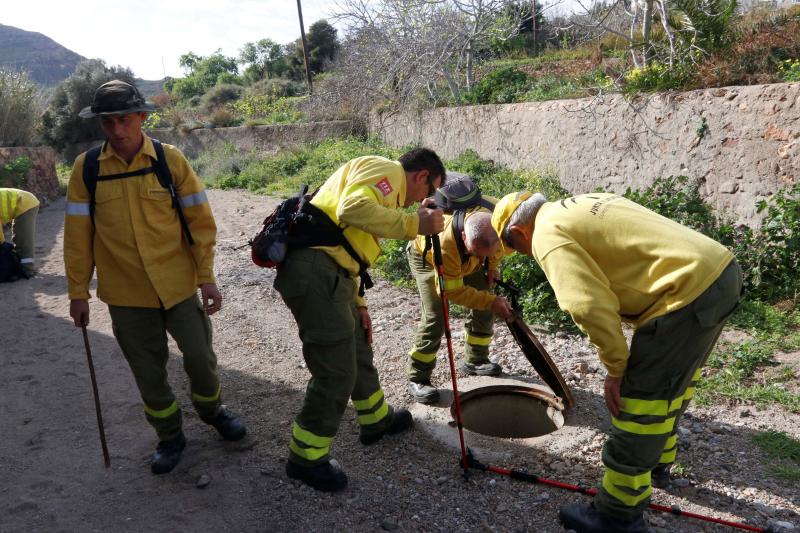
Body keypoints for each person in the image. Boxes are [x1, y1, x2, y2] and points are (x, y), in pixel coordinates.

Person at [491, 191, 742, 533]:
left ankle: (616, 515)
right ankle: (656, 464)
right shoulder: (580, 203)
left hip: (684, 293)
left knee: (639, 404)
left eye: (518, 248)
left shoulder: (547, 234)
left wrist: (617, 370)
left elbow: (587, 306)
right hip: (718, 273)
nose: (527, 254)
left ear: (520, 233)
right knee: (672, 383)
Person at [64, 80, 246, 476]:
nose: (116, 129)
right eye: (107, 122)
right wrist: (77, 292)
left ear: (142, 117)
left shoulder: (169, 160)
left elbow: (201, 223)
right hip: (126, 295)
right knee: (148, 373)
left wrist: (206, 277)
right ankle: (169, 435)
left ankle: (213, 412)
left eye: (124, 119)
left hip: (178, 286)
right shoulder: (88, 169)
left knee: (200, 359)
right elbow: (78, 236)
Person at [274, 149, 446, 492]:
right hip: (317, 276)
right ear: (420, 176)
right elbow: (351, 209)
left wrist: (359, 302)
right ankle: (305, 458)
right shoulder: (386, 173)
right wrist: (417, 224)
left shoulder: (383, 186)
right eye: (427, 193)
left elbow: (344, 242)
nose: (423, 201)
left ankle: (375, 420)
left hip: (334, 277)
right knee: (336, 370)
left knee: (357, 349)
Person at [406, 206, 514, 404]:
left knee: (484, 296)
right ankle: (418, 377)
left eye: (484, 256)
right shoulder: (445, 243)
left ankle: (476, 359)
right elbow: (453, 292)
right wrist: (492, 302)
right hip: (430, 257)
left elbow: (495, 250)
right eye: (479, 254)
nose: (481, 259)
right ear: (464, 236)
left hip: (467, 253)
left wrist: (490, 266)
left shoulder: (497, 221)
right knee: (437, 316)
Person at [0, 187, 40, 277]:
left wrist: (2, 244)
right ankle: (20, 267)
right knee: (18, 238)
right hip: (24, 201)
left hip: (26, 203)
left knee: (23, 240)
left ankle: (28, 270)